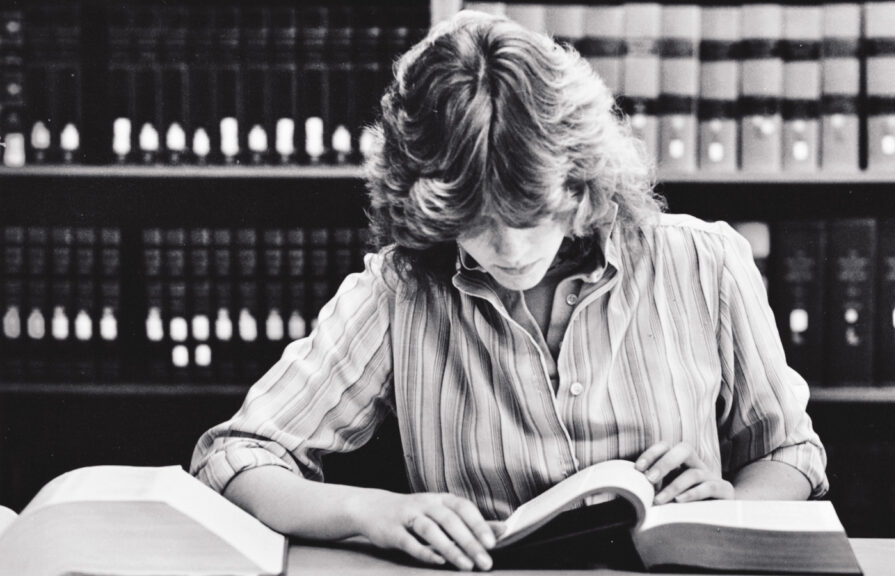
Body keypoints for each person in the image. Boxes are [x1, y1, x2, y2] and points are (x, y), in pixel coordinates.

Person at [191, 10, 828, 572]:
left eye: (530, 217)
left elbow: (791, 452)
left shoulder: (704, 261)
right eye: (476, 224)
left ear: (580, 184)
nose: (512, 251)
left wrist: (737, 507)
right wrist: (373, 513)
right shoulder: (398, 291)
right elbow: (237, 455)